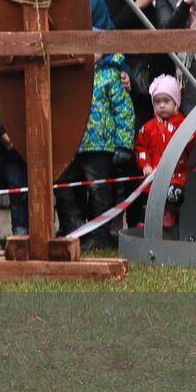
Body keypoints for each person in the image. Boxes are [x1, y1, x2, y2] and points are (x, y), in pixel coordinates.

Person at [56, 50, 133, 249]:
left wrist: (124, 144)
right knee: (64, 186)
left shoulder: (110, 76)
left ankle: (99, 236)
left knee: (99, 191)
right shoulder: (70, 76)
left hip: (99, 145)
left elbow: (124, 110)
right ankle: (74, 230)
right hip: (70, 145)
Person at [134, 75, 194, 235]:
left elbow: (195, 149)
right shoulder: (148, 128)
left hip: (177, 176)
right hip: (153, 177)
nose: (161, 105)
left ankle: (171, 212)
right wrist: (145, 165)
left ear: (176, 104)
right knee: (146, 198)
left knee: (175, 194)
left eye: (166, 101)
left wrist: (191, 140)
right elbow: (141, 148)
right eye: (157, 101)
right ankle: (144, 220)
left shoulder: (185, 126)